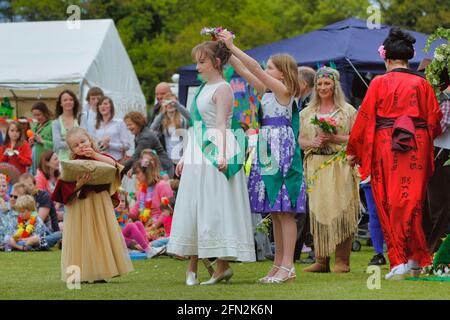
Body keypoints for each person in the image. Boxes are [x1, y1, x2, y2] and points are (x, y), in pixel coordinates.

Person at [347, 28, 443, 280]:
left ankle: (400, 259)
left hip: (387, 145)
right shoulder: (422, 83)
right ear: (408, 58)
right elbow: (434, 120)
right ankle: (415, 259)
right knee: (411, 203)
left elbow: (365, 118)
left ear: (386, 59)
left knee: (393, 203)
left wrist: (355, 150)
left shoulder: (379, 83)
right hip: (416, 145)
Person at [167, 39, 256, 286]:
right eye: (197, 62)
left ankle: (219, 267)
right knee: (196, 205)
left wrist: (222, 155)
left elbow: (220, 125)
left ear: (216, 62)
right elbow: (195, 126)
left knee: (214, 207)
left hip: (217, 148)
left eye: (202, 61)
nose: (197, 67)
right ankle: (194, 268)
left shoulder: (224, 88)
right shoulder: (201, 88)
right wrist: (186, 155)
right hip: (198, 150)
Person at [219, 31, 304, 283]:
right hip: (267, 147)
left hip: (282, 148)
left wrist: (233, 45)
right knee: (275, 211)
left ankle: (288, 265)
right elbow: (246, 72)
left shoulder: (285, 89)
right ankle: (279, 263)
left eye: (270, 67)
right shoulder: (268, 90)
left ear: (282, 72)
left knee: (285, 210)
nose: (265, 70)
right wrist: (225, 51)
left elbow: (254, 67)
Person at [51, 127, 133, 283]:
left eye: (83, 141)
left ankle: (100, 271)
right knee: (81, 237)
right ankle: (81, 273)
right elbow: (63, 189)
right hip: (80, 206)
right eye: (76, 145)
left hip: (99, 203)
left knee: (100, 235)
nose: (81, 146)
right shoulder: (71, 165)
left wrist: (95, 155)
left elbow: (114, 166)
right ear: (71, 149)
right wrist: (78, 184)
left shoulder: (99, 157)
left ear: (89, 140)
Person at [298, 67, 359, 273]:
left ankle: (342, 261)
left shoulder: (347, 111)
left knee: (341, 209)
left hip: (340, 165)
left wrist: (334, 138)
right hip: (316, 165)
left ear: (335, 85)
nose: (323, 87)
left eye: (327, 83)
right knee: (318, 210)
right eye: (319, 84)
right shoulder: (306, 113)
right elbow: (299, 141)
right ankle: (321, 260)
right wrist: (313, 141)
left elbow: (357, 138)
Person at [423, 70, 450, 253]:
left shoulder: (445, 98)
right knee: (437, 205)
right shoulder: (441, 97)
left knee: (438, 206)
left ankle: (435, 250)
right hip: (439, 153)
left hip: (441, 153)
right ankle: (434, 250)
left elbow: (439, 127)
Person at [294, 66, 317, 264]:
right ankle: (307, 247)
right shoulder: (303, 103)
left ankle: (312, 249)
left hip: (312, 160)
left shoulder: (310, 106)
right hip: (305, 159)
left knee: (309, 207)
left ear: (302, 84)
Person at [115, 189, 166, 258]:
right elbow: (117, 236)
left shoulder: (124, 214)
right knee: (131, 225)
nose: (121, 203)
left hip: (125, 239)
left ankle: (147, 247)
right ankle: (148, 250)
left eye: (123, 201)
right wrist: (133, 244)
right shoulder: (111, 215)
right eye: (118, 201)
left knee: (138, 223)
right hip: (119, 240)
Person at [123, 112, 174, 177]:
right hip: (156, 168)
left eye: (130, 124)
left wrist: (120, 167)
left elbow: (137, 157)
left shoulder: (145, 137)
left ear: (138, 123)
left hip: (163, 170)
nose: (128, 127)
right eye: (127, 125)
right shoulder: (139, 134)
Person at [128, 154, 173, 227]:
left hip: (163, 227)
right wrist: (123, 213)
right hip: (148, 226)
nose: (136, 176)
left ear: (146, 173)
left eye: (138, 173)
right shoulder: (142, 189)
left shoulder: (162, 186)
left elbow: (167, 210)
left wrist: (154, 226)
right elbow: (137, 208)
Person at [149, 92, 190, 166]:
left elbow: (191, 118)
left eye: (172, 103)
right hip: (168, 157)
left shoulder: (182, 119)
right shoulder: (162, 120)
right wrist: (162, 112)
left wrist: (178, 105)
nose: (170, 105)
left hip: (182, 157)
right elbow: (152, 128)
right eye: (168, 102)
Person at [92, 96, 130, 163]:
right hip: (101, 161)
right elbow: (95, 144)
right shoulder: (96, 125)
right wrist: (100, 144)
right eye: (100, 104)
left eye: (105, 104)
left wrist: (110, 145)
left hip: (116, 161)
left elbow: (126, 146)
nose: (102, 106)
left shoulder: (120, 123)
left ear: (111, 107)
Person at [52, 90, 80, 162]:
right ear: (60, 103)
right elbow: (57, 144)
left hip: (80, 158)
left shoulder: (81, 118)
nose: (68, 102)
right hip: (62, 160)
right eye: (65, 100)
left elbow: (86, 138)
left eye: (71, 99)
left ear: (74, 102)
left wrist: (65, 142)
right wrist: (76, 144)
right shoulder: (56, 122)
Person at [29, 102, 54, 175]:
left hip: (46, 162)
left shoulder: (52, 125)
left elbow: (56, 145)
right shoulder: (35, 126)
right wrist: (31, 143)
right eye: (34, 115)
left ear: (45, 113)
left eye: (39, 115)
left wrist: (42, 141)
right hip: (34, 162)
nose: (36, 117)